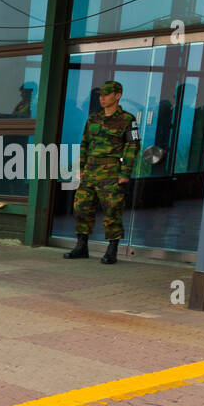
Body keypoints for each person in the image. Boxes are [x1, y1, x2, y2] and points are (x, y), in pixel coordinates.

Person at [65, 79, 138, 266]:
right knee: (81, 208)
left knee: (112, 210)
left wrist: (125, 173)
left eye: (106, 94)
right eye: (101, 95)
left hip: (111, 172)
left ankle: (112, 250)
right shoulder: (93, 119)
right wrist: (80, 169)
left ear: (117, 95)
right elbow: (85, 144)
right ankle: (82, 246)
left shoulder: (128, 120)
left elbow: (132, 146)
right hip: (90, 170)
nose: (102, 98)